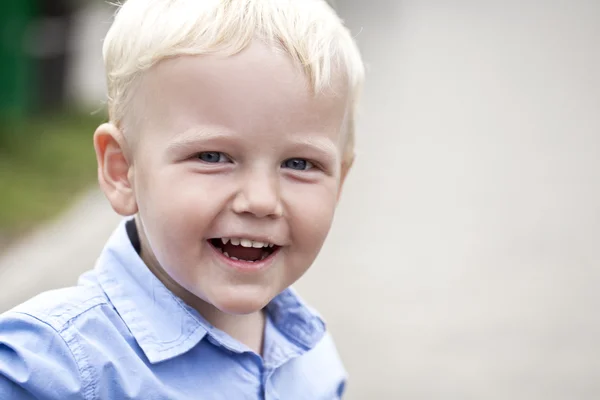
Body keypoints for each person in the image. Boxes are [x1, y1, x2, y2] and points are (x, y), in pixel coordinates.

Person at [0, 0, 364, 398]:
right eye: (213, 157)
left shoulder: (313, 358)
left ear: (341, 183)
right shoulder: (47, 370)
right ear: (123, 171)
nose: (260, 201)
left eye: (300, 163)